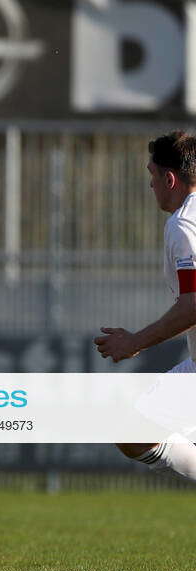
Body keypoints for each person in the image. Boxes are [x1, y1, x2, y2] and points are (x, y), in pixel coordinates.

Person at [95, 130, 196, 479]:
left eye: (152, 175)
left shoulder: (185, 224)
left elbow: (194, 304)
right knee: (134, 432)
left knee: (135, 433)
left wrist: (134, 342)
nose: (151, 185)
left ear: (169, 178)